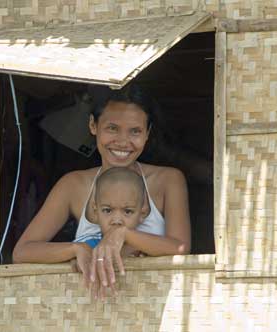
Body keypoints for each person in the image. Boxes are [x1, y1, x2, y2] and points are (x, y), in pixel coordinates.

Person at [12, 84, 191, 296]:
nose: (123, 142)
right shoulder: (73, 185)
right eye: (112, 128)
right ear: (93, 125)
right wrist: (77, 249)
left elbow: (181, 248)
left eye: (135, 131)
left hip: (152, 299)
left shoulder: (168, 180)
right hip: (92, 308)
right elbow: (22, 252)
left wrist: (123, 235)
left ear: (147, 134)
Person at [74, 167, 145, 256]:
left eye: (128, 211)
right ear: (96, 212)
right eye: (107, 210)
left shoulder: (147, 246)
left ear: (142, 214)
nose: (117, 221)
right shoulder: (87, 245)